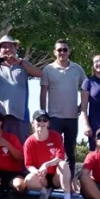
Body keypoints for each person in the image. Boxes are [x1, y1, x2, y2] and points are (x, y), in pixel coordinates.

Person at [0, 35, 42, 142]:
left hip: (20, 113)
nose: (8, 49)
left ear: (15, 48)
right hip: (0, 115)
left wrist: (20, 62)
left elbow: (39, 74)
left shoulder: (23, 64)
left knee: (20, 144)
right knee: (0, 144)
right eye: (4, 47)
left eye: (11, 46)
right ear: (0, 50)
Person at [39, 39, 88, 172]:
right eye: (59, 50)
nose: (62, 52)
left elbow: (87, 88)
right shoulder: (48, 69)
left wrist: (82, 106)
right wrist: (43, 113)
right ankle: (49, 179)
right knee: (51, 149)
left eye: (65, 49)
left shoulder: (77, 68)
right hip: (54, 117)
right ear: (54, 52)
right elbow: (43, 92)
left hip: (72, 117)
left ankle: (69, 180)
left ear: (69, 51)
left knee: (70, 151)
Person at [23, 110, 74, 199]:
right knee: (28, 180)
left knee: (64, 164)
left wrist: (46, 164)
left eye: (45, 120)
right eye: (39, 120)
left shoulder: (56, 136)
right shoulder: (29, 142)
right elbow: (28, 165)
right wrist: (37, 172)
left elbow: (60, 157)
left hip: (56, 176)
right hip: (41, 177)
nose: (42, 122)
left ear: (48, 123)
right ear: (32, 123)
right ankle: (44, 192)